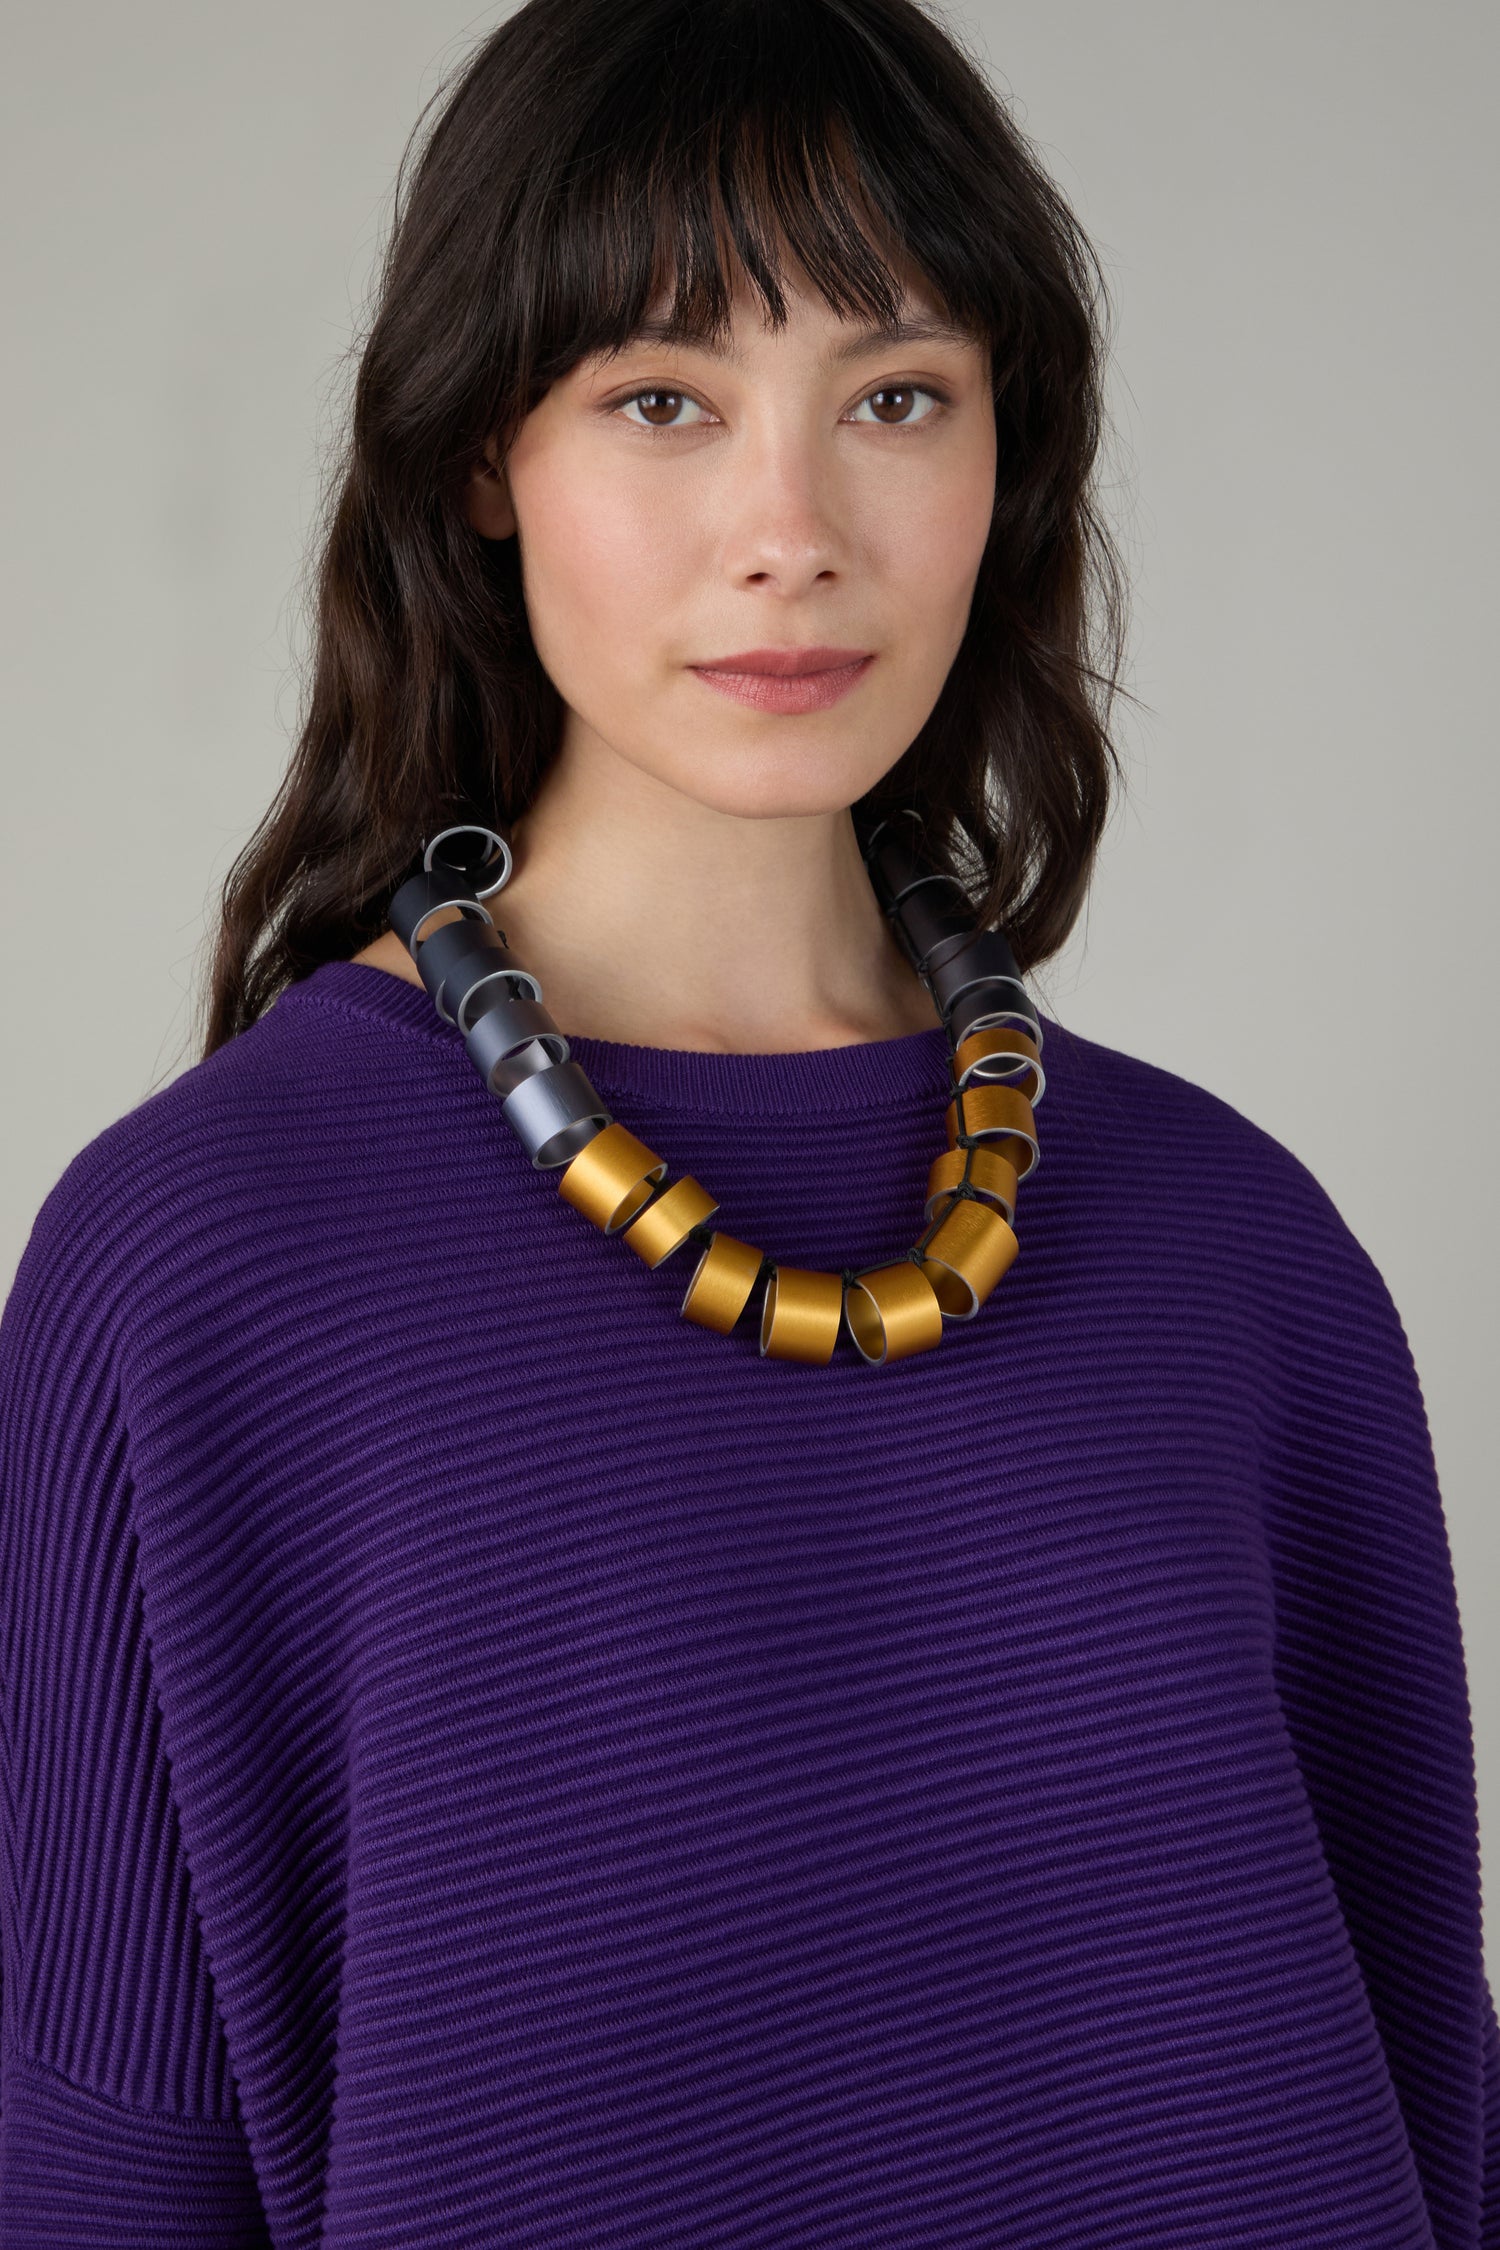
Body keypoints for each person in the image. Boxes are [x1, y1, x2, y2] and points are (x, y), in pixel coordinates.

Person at [1, 0, 1494, 2240]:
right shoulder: (207, 1264)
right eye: (664, 401)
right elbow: (97, 2165)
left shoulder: (1232, 1251)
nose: (789, 531)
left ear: (1011, 461)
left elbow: (1422, 2105)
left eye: (895, 398)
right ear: (484, 461)